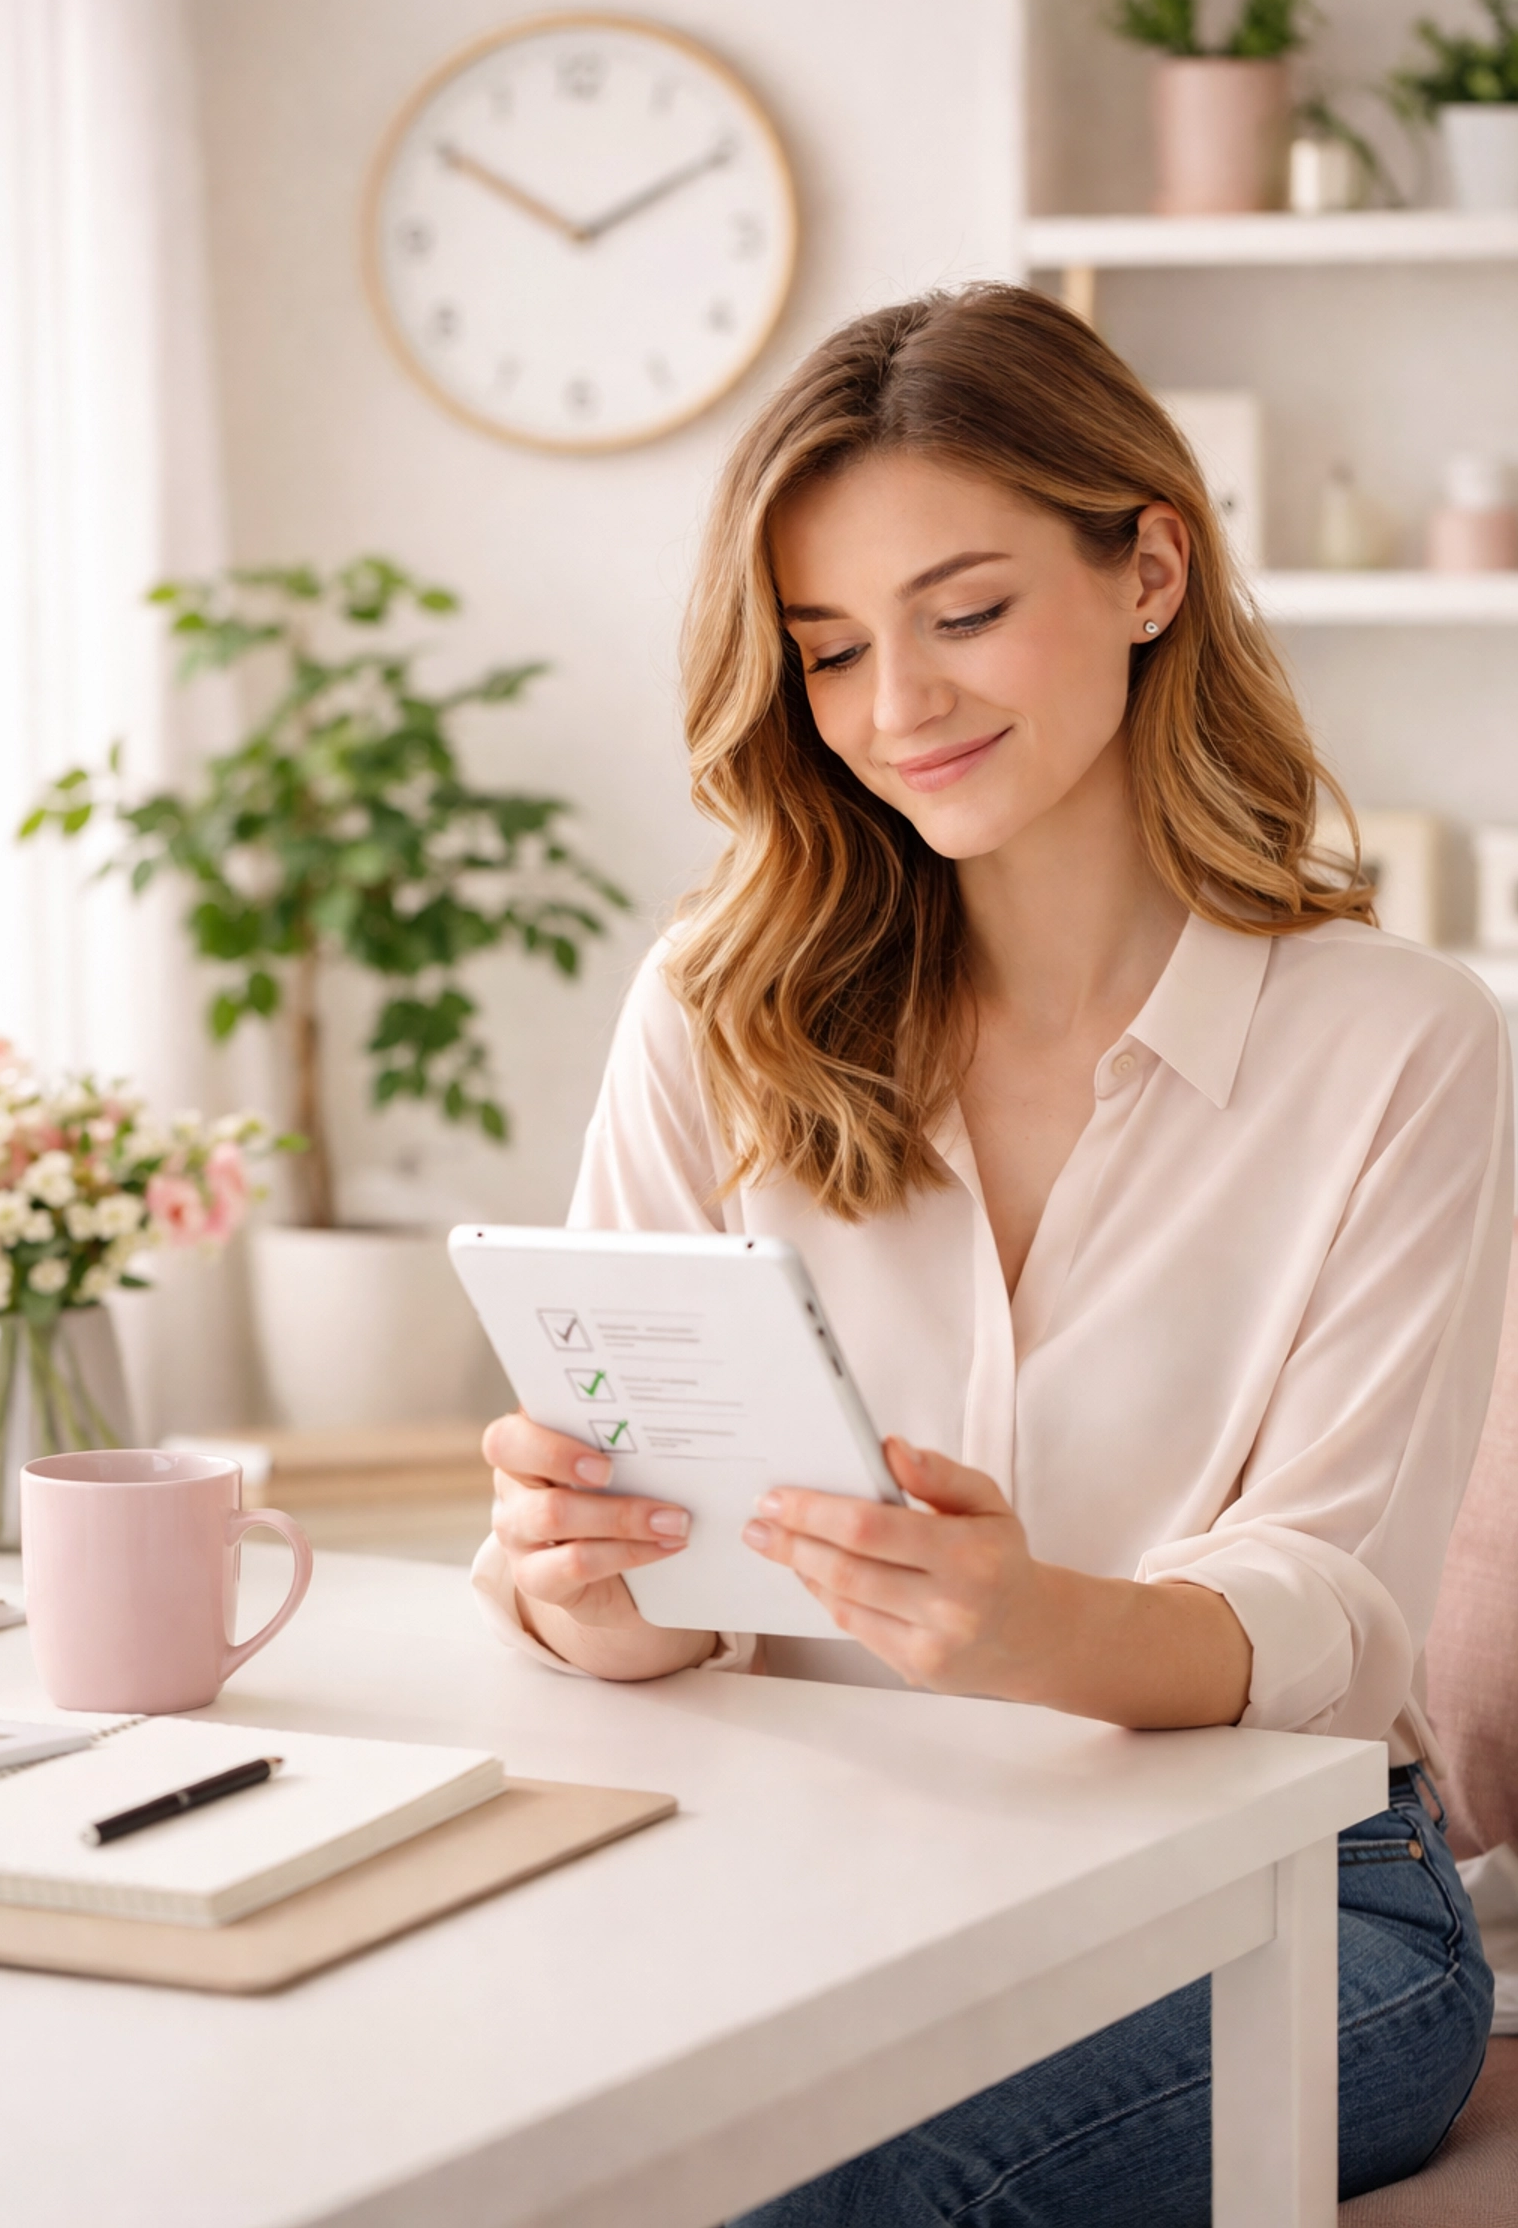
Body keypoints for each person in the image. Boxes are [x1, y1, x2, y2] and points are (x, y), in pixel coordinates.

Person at [472, 285, 1506, 2223]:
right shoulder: (718, 1011)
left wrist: (1030, 1627)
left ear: (1148, 568)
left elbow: (1333, 1609)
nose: (895, 710)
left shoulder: (1404, 1043)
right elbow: (655, 1582)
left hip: (1293, 1902)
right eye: (831, 649)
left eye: (963, 614)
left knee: (815, 2193)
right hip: (816, 1859)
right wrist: (582, 1581)